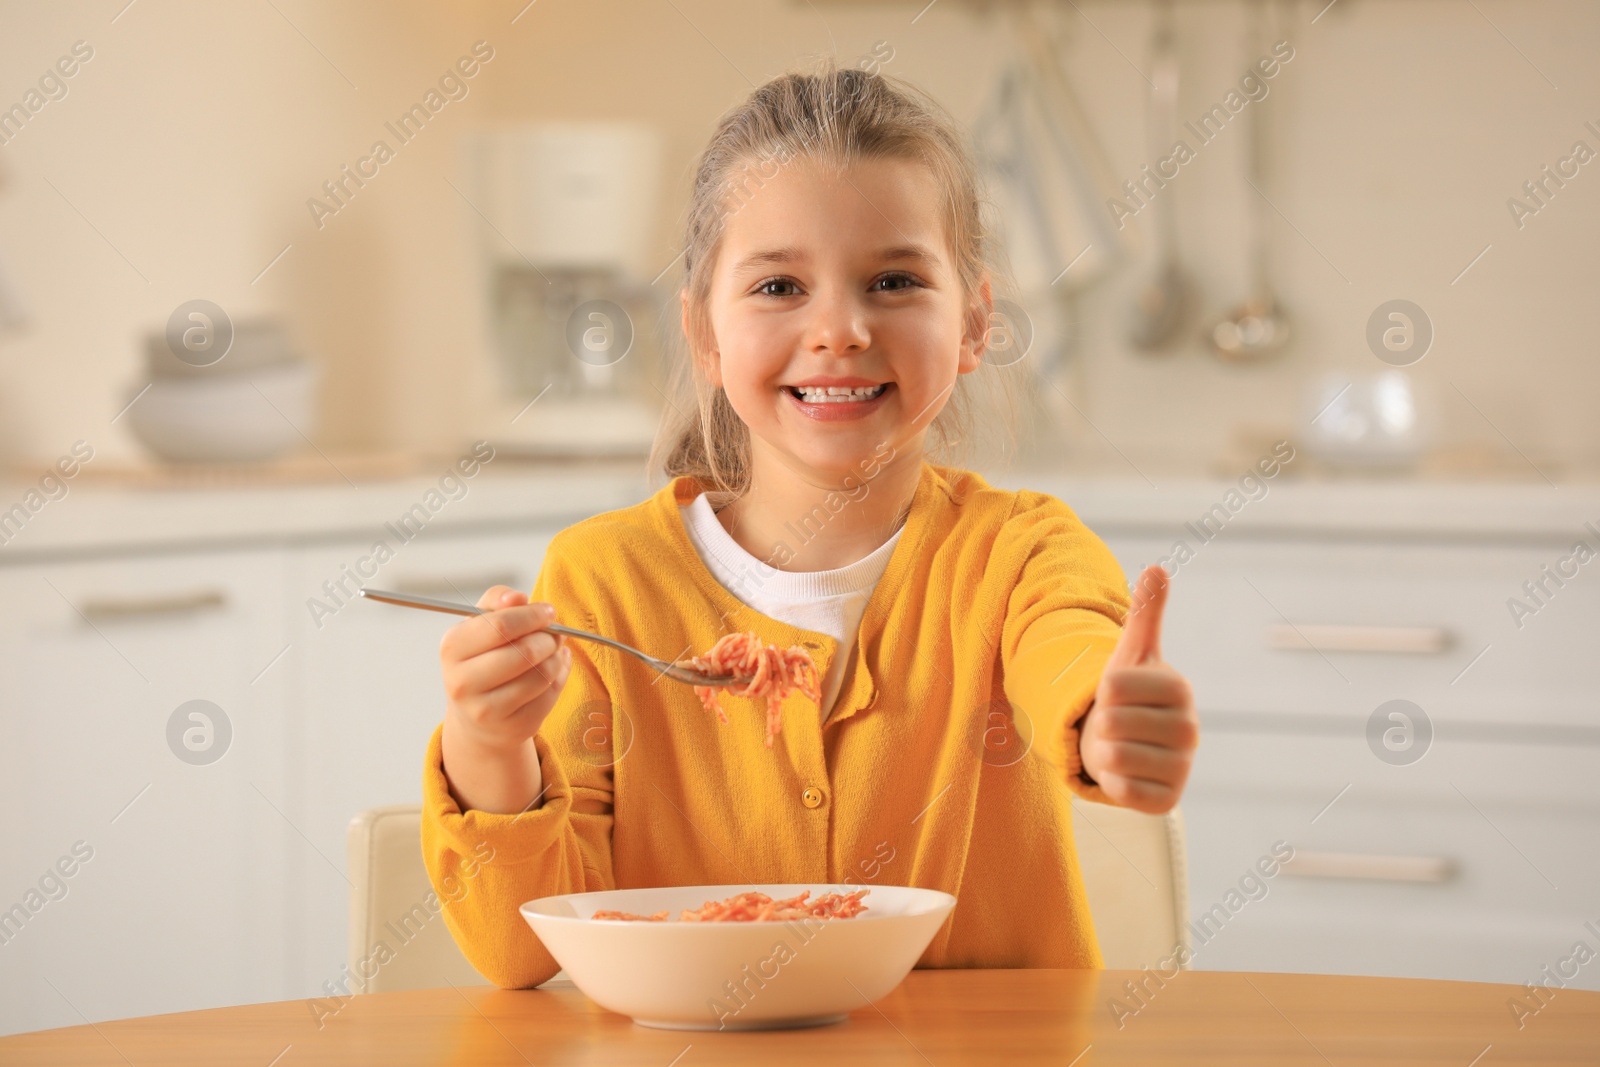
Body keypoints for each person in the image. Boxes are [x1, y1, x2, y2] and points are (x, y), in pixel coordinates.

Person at [425, 60, 1198, 989]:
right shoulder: (603, 583)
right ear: (705, 335)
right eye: (780, 288)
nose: (839, 330)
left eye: (895, 280)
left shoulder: (1024, 553)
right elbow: (520, 953)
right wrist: (487, 743)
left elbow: (1072, 651)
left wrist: (1107, 716)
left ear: (975, 323)